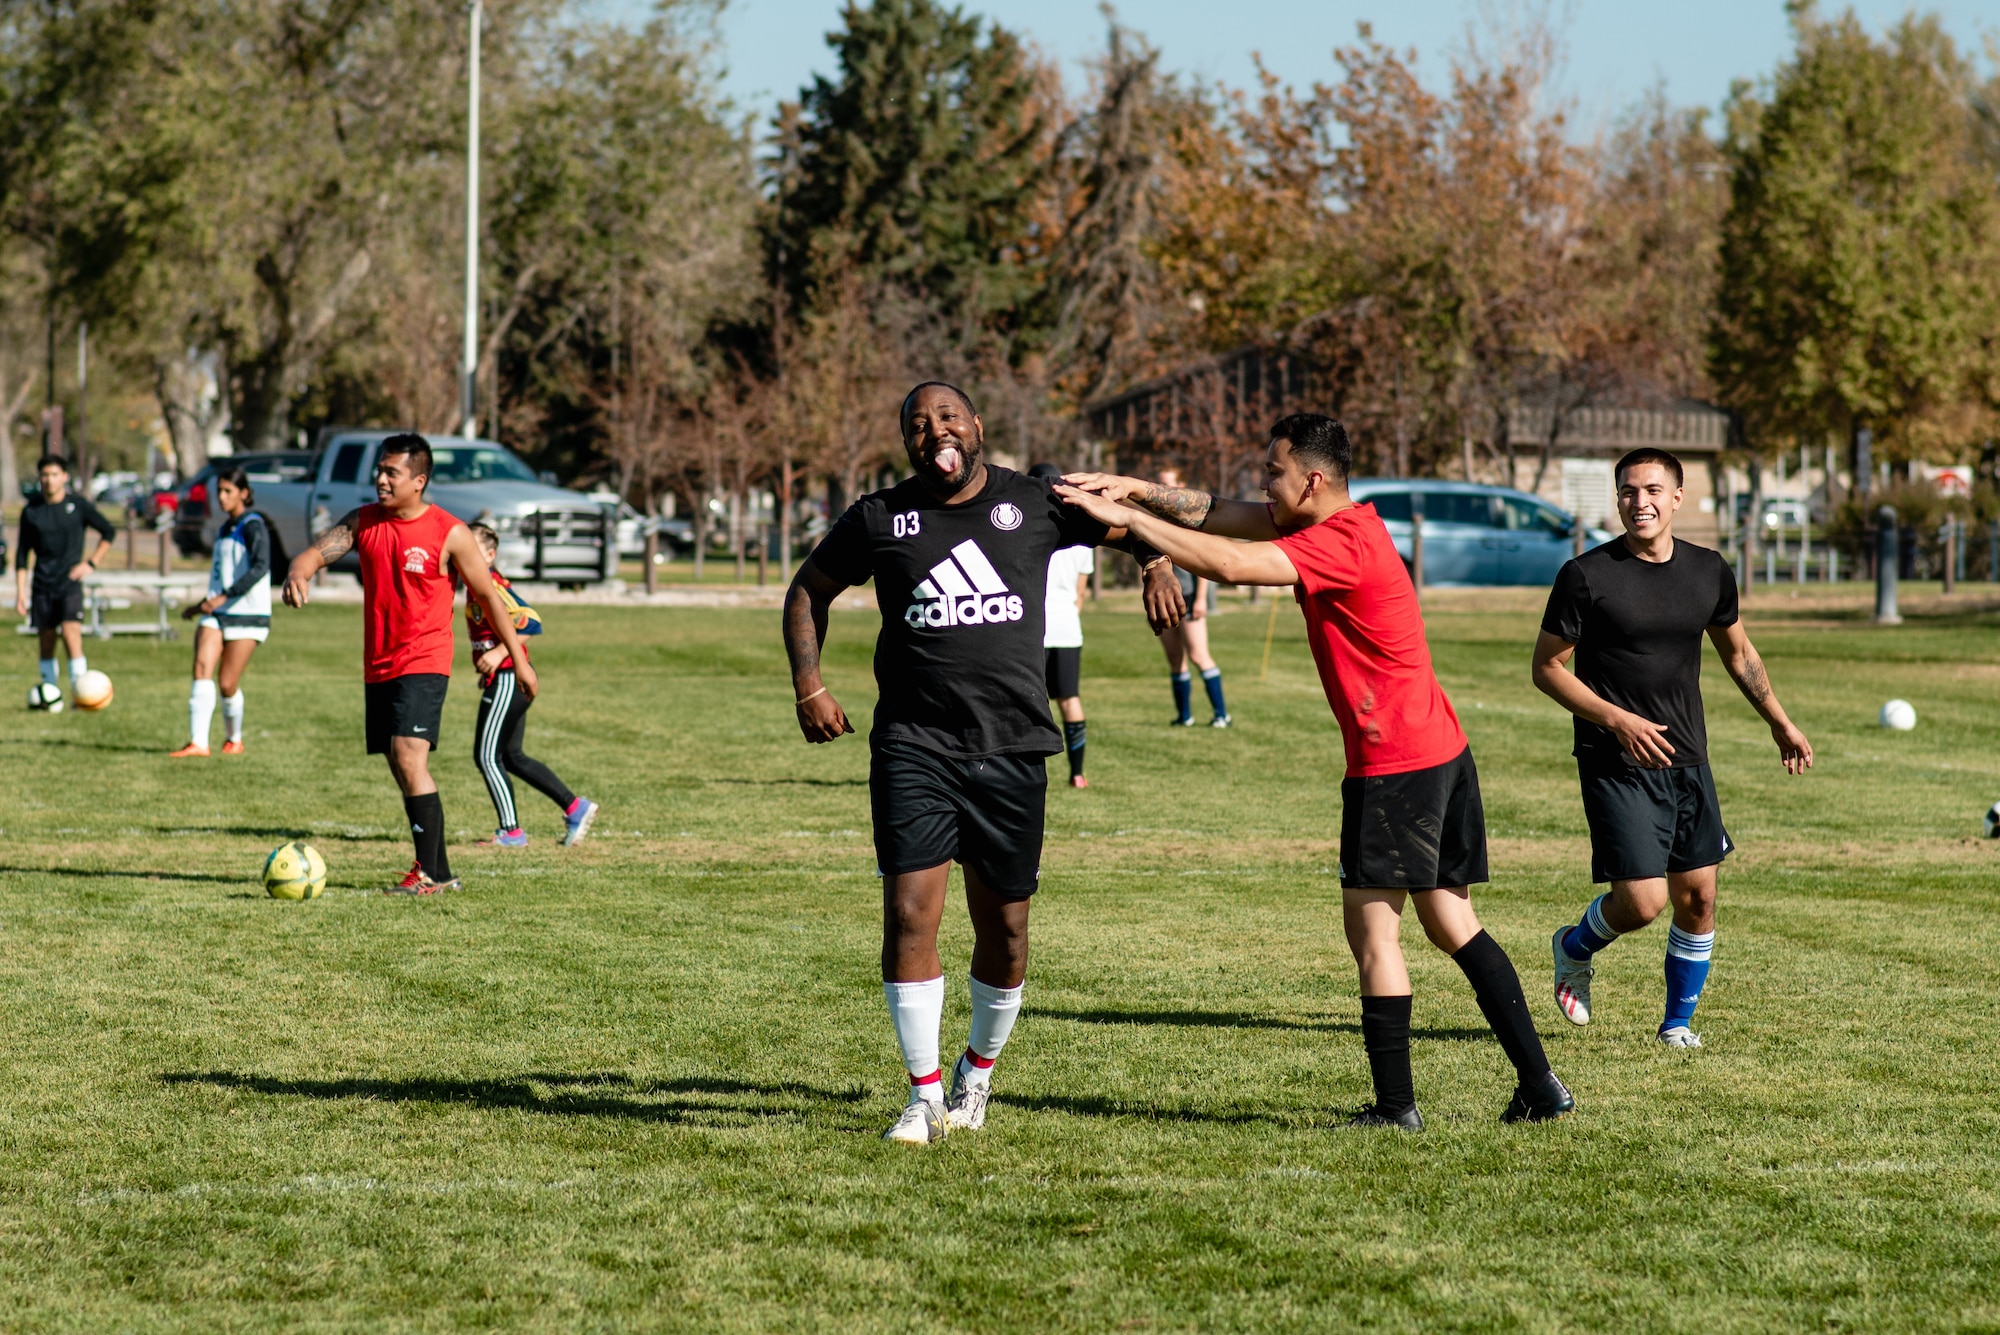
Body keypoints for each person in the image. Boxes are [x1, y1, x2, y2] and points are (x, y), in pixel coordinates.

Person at [1058, 414, 1574, 1128]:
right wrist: (1138, 491)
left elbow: (1230, 563)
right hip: (1440, 749)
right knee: (1453, 922)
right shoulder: (1345, 522)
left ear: (1312, 478)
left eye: (1272, 473)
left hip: (1394, 763)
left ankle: (1396, 1109)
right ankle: (1541, 1086)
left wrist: (1125, 521)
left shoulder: (1338, 541)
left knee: (1374, 938)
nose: (1261, 486)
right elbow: (1219, 514)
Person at [784, 382, 1185, 1145]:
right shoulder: (879, 516)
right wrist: (810, 683)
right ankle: (922, 1096)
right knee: (908, 913)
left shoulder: (1033, 502)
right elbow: (808, 589)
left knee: (1004, 932)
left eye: (946, 417)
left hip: (1011, 746)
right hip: (913, 742)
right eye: (916, 423)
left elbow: (1128, 523)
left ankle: (977, 1072)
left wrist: (1158, 560)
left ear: (976, 425)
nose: (933, 430)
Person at [1531, 448, 1811, 1048]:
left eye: (1654, 491)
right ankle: (1573, 945)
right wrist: (1617, 721)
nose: (1641, 503)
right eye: (1629, 492)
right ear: (1618, 498)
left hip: (1688, 758)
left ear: (1677, 497)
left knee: (1700, 898)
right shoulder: (1586, 576)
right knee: (1643, 902)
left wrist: (1779, 722)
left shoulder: (1708, 570)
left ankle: (1676, 1024)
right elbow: (1548, 668)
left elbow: (1739, 654)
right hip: (1617, 762)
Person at [282, 433, 538, 895]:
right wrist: (298, 571)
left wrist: (518, 660)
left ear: (418, 481)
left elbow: (490, 598)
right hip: (379, 662)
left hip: (425, 658)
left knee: (408, 754)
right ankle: (439, 874)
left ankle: (427, 874)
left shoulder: (450, 532)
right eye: (379, 471)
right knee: (399, 764)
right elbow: (318, 552)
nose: (380, 479)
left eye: (390, 473)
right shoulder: (363, 521)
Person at [463, 522, 599, 848]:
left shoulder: (492, 585)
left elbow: (532, 621)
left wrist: (497, 655)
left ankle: (511, 832)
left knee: (486, 756)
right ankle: (574, 806)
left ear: (491, 555)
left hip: (510, 677)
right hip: (503, 678)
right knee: (512, 756)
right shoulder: (476, 586)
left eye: (472, 551)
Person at [171, 468, 270, 757]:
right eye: (219, 492)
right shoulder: (224, 528)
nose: (222, 498)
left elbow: (260, 567)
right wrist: (203, 603)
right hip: (217, 612)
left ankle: (234, 739)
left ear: (244, 493)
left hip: (248, 615)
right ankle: (198, 743)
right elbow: (222, 576)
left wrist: (224, 597)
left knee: (227, 684)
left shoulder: (254, 526)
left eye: (228, 491)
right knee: (202, 669)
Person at [14, 454, 115, 700]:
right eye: (45, 475)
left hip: (69, 583)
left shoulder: (78, 506)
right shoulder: (32, 511)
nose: (49, 480)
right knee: (46, 639)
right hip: (42, 584)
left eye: (54, 475)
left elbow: (108, 531)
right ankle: (50, 692)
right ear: (40, 478)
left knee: (71, 634)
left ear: (65, 477)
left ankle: (79, 693)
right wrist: (20, 593)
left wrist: (91, 563)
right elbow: (21, 555)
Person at [1027, 462, 1093, 789]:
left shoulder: (1023, 530)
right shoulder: (1080, 536)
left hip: (1030, 628)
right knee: (1070, 699)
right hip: (1068, 626)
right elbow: (1080, 594)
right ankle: (1078, 773)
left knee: (1028, 702)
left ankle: (1030, 775)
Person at [1153, 467, 1230, 727]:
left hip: (1189, 596)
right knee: (1176, 659)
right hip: (1166, 599)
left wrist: (1200, 600)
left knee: (1199, 655)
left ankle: (1222, 715)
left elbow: (1204, 561)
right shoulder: (1154, 519)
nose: (1162, 489)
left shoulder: (1190, 519)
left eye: (1168, 484)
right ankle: (1184, 716)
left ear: (1181, 486)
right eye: (1159, 483)